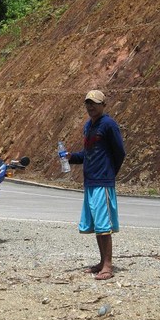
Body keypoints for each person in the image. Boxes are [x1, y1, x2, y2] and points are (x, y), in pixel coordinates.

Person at [65, 90, 126, 280]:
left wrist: (109, 173)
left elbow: (120, 152)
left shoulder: (108, 125)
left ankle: (108, 266)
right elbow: (87, 154)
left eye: (94, 103)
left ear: (103, 105)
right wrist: (71, 157)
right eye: (88, 103)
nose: (90, 107)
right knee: (97, 225)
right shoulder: (88, 126)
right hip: (90, 181)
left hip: (103, 182)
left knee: (104, 225)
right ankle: (101, 262)